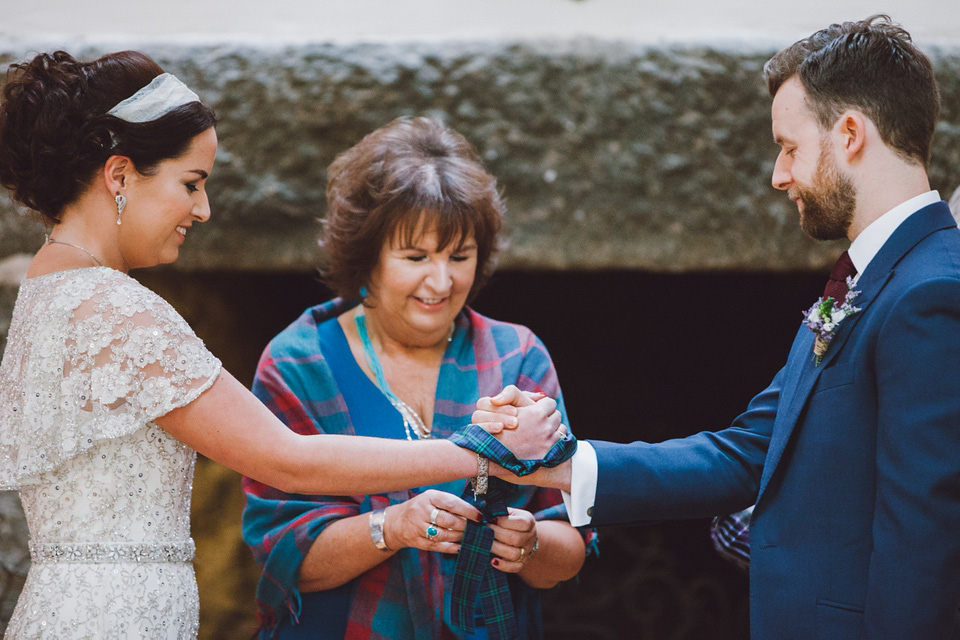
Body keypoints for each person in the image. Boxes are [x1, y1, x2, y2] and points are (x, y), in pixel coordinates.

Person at [0, 51, 562, 639]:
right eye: (191, 183)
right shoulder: (118, 312)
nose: (204, 209)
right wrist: (481, 453)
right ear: (119, 175)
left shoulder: (49, 291)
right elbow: (287, 460)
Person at [476, 15, 960, 639]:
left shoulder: (931, 296)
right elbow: (746, 452)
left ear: (849, 134)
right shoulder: (873, 281)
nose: (778, 174)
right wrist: (558, 461)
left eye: (789, 147)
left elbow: (923, 548)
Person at [241, 116, 588, 639]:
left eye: (459, 256)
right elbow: (284, 558)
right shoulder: (298, 363)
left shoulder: (517, 356)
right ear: (367, 258)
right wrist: (393, 528)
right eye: (415, 257)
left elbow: (573, 547)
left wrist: (531, 544)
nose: (442, 281)